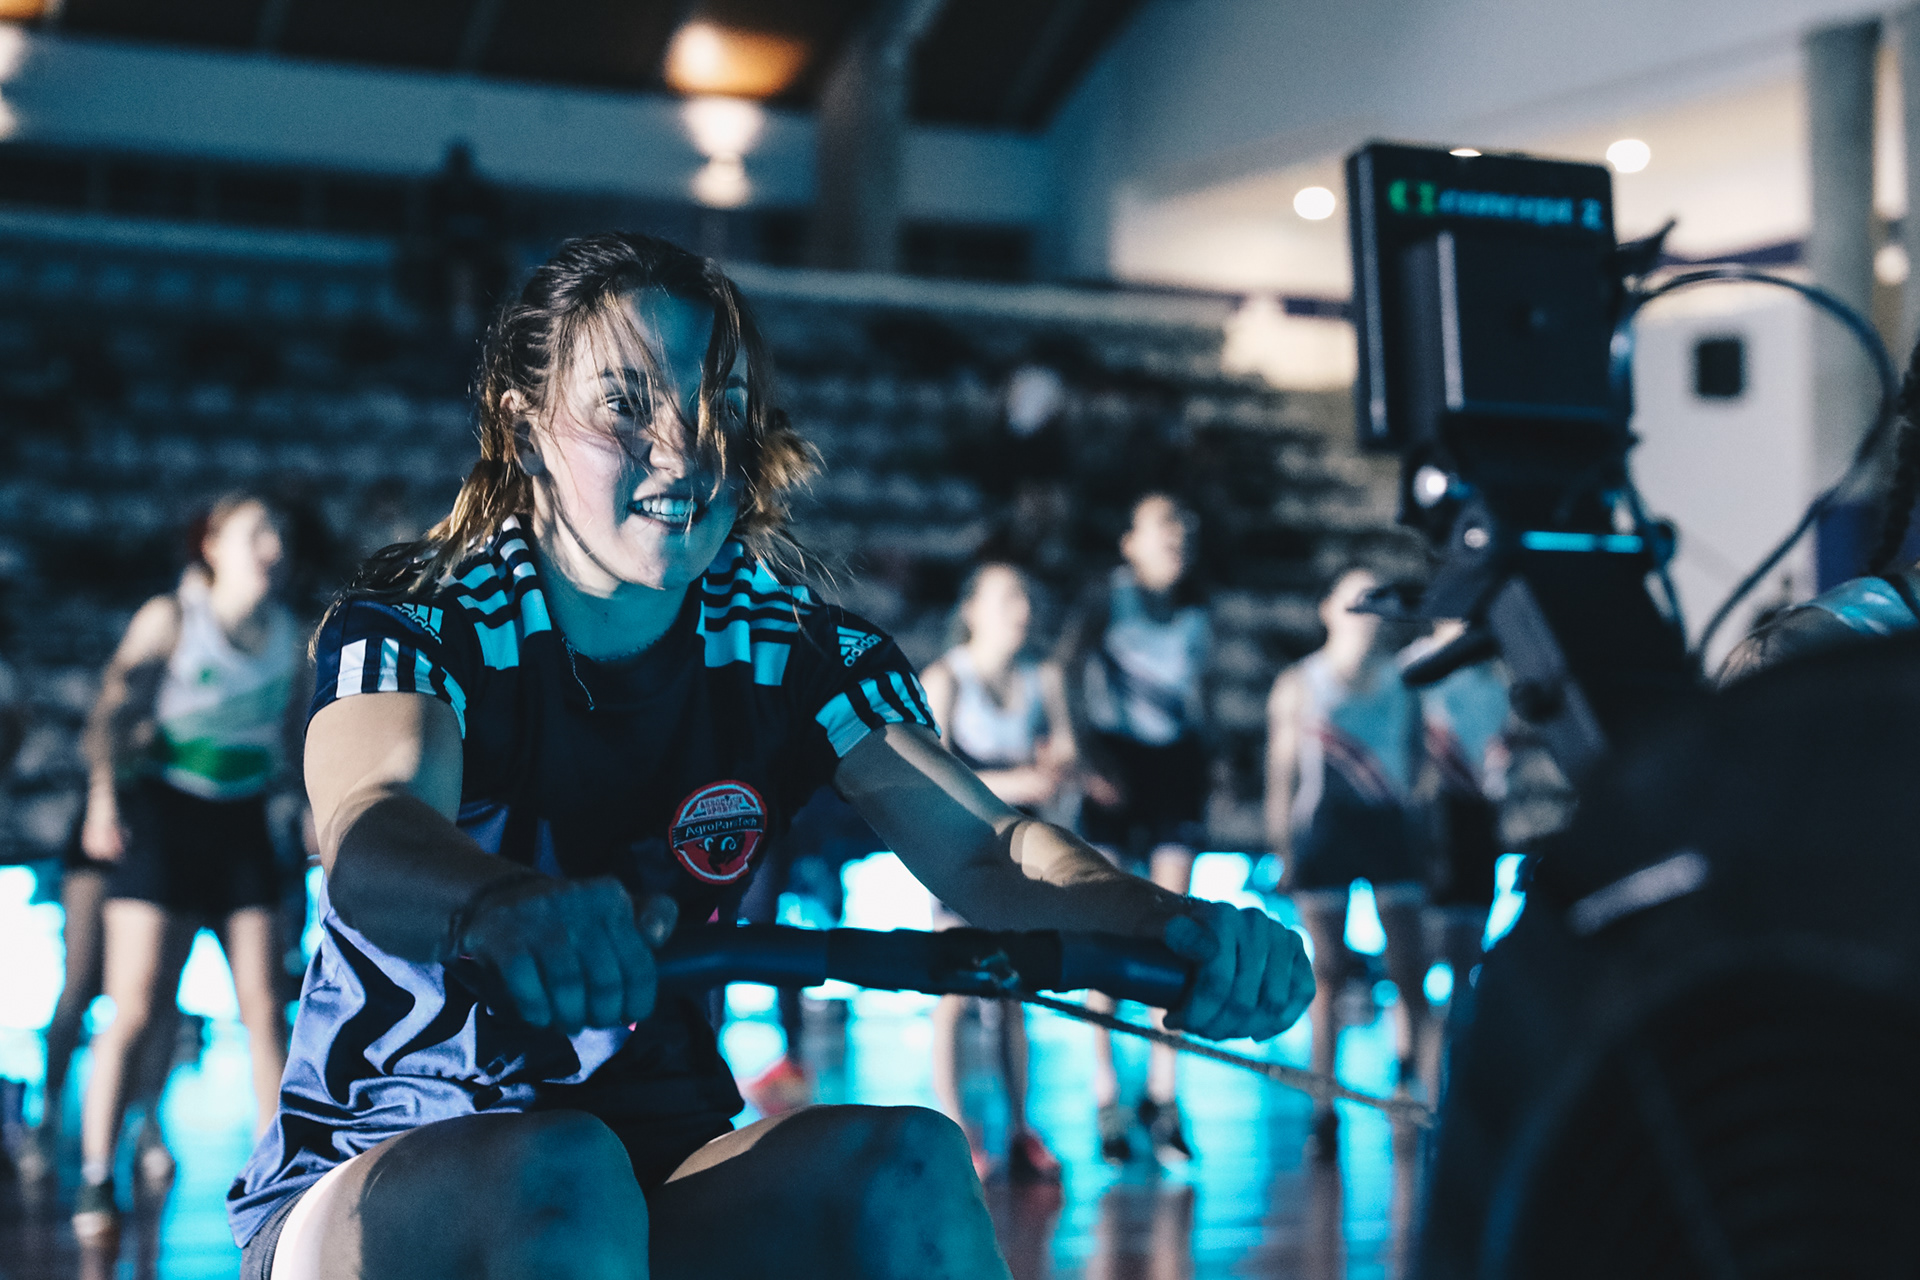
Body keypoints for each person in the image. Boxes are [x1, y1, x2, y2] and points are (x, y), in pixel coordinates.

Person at [230, 233, 1314, 1280]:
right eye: (625, 404)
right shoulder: (418, 622)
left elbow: (991, 853)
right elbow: (372, 829)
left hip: (649, 1160)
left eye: (722, 405)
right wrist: (502, 904)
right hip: (380, 1161)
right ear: (523, 426)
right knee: (566, 1170)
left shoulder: (788, 647)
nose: (685, 449)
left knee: (912, 1164)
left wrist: (1172, 927)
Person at [71, 496, 308, 1238]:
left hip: (241, 822)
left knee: (265, 1007)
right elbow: (110, 712)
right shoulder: (171, 618)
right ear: (213, 545)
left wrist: (309, 808)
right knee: (137, 1008)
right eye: (256, 532)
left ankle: (279, 1179)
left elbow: (296, 739)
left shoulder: (291, 636)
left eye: (279, 534)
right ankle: (96, 1177)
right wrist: (103, 798)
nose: (272, 546)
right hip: (163, 818)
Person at [1060, 493, 1212, 1166]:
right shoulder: (1108, 599)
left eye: (1185, 527)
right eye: (1164, 526)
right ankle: (1107, 1094)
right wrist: (1084, 752)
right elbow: (1061, 667)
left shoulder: (1197, 611)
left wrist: (1212, 758)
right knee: (1110, 930)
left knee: (1174, 929)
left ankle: (1163, 1095)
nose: (1178, 536)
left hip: (1175, 767)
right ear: (1131, 542)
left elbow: (1200, 693)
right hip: (1117, 763)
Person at [1265, 566, 1433, 1161]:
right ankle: (1323, 1101)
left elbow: (1417, 765)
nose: (1365, 613)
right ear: (1328, 609)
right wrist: (1282, 846)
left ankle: (1412, 1085)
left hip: (1387, 827)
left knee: (1409, 966)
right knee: (1328, 970)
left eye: (1374, 601)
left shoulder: (1403, 682)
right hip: (1326, 830)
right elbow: (1282, 770)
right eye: (1354, 600)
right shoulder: (1301, 682)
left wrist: (1424, 836)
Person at [919, 562, 1070, 1184]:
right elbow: (930, 778)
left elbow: (1065, 759)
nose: (1022, 609)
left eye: (1026, 597)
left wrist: (1058, 771)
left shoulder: (1045, 678)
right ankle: (955, 1128)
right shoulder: (946, 678)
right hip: (958, 852)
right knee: (956, 989)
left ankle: (1020, 1128)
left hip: (1021, 853)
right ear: (972, 610)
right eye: (1007, 597)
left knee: (1014, 990)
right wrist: (1022, 782)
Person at [1409, 624, 1510, 1067]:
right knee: (1423, 961)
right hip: (1433, 817)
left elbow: (1500, 752)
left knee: (1466, 960)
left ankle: (1456, 1074)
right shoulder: (1417, 663)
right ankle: (1414, 1069)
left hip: (1479, 819)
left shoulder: (1495, 674)